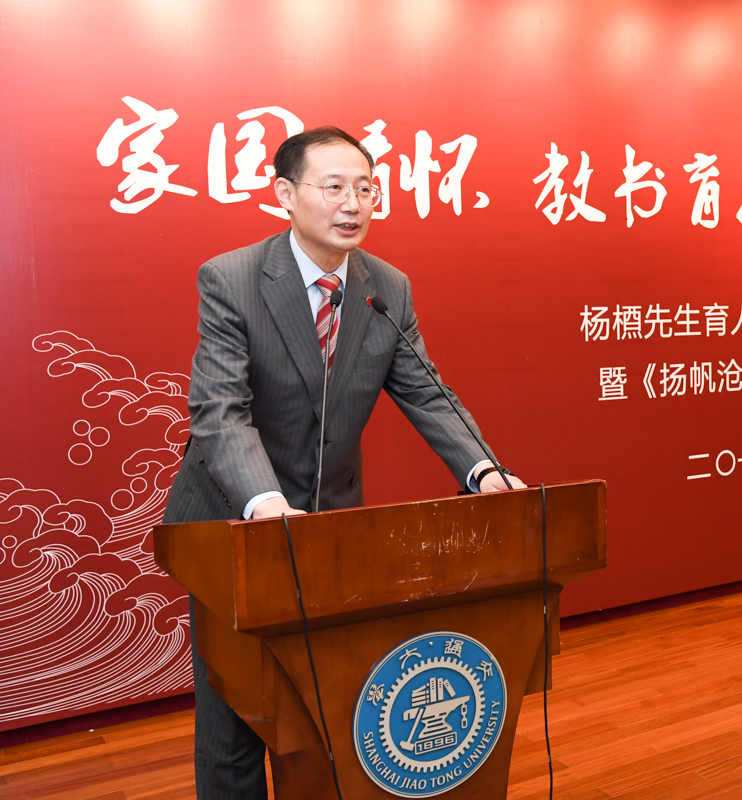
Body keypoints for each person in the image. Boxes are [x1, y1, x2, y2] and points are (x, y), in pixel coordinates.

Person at [161, 126, 526, 799]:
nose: (352, 203)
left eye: (365, 188)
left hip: (328, 531)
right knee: (235, 719)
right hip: (233, 526)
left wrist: (484, 472)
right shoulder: (233, 279)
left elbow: (427, 393)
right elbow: (220, 412)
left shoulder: (386, 287)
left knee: (321, 711)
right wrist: (267, 504)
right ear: (285, 193)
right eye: (333, 187)